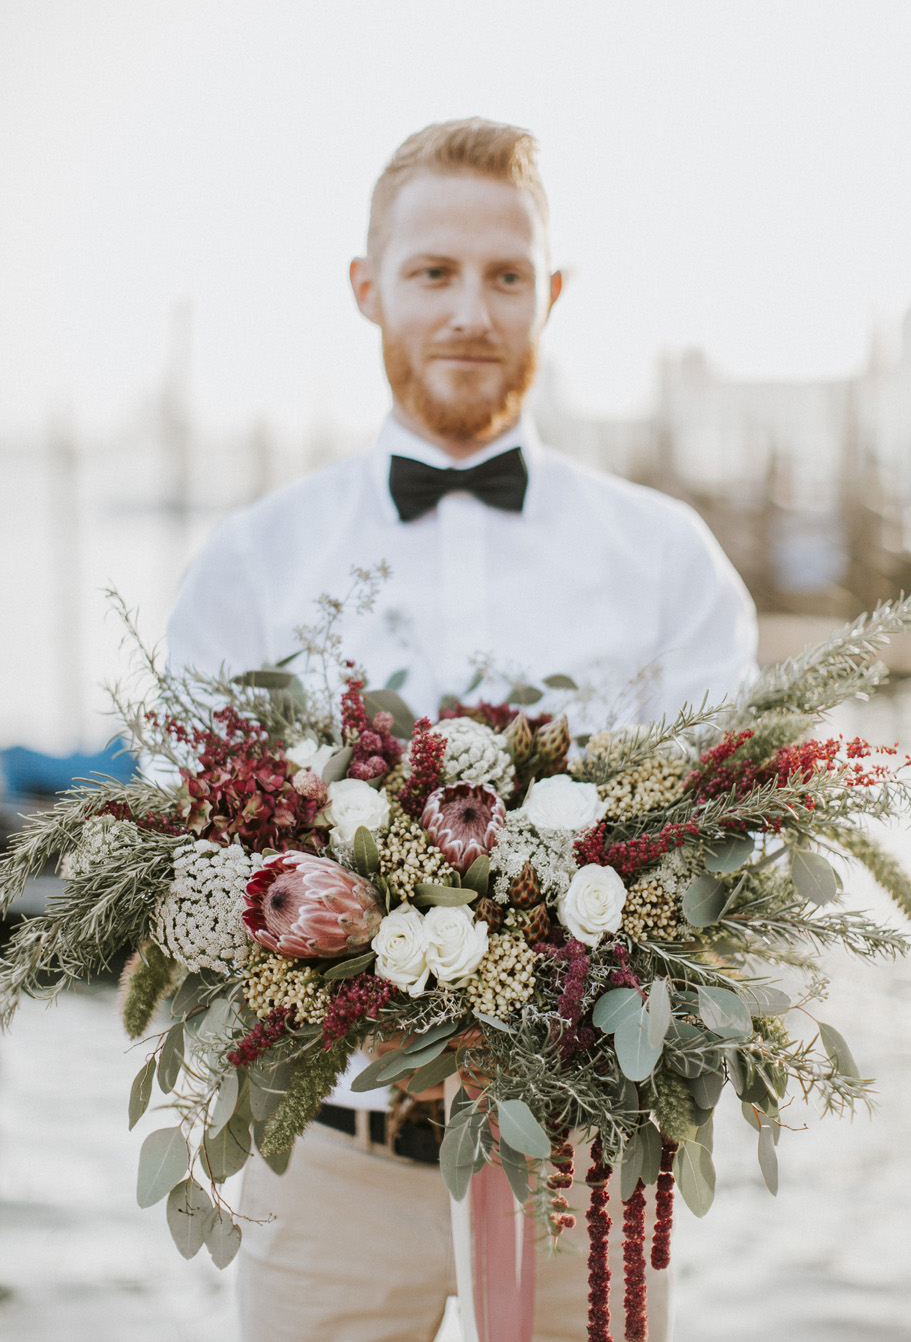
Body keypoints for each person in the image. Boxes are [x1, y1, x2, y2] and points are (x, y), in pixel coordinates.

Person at [167, 117, 758, 1342]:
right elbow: (188, 854)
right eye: (432, 272)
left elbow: (727, 840)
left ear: (548, 292)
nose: (467, 313)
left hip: (588, 1164)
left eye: (503, 277)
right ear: (367, 285)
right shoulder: (253, 563)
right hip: (317, 1152)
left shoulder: (664, 561)